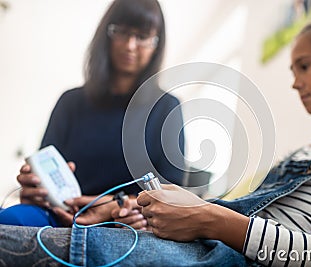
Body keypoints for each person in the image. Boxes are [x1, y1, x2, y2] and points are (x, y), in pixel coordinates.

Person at [1, 16, 311, 267]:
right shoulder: (299, 155)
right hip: (207, 245)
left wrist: (211, 218)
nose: (294, 81)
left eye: (304, 66)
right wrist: (193, 212)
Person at [0, 0, 185, 229]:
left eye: (142, 36)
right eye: (122, 32)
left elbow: (176, 197)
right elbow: (44, 172)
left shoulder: (168, 109)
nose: (129, 45)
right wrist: (35, 188)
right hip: (60, 217)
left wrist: (112, 206)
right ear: (106, 34)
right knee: (9, 220)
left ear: (157, 44)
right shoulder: (70, 102)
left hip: (127, 226)